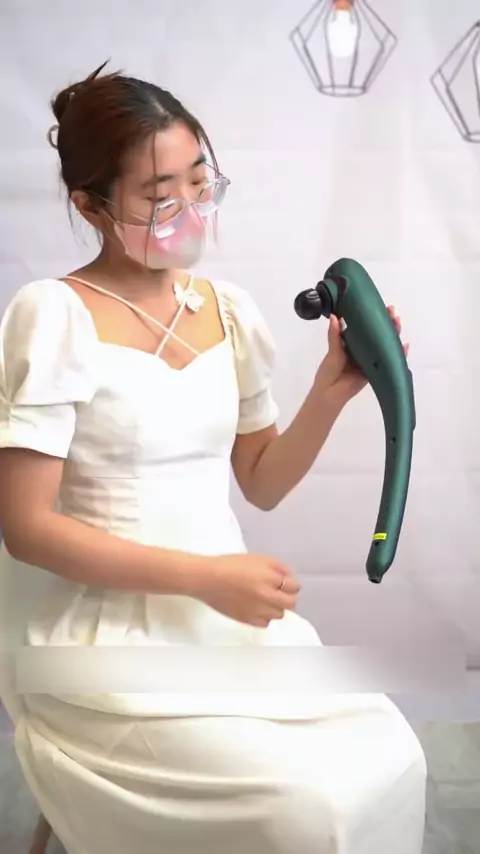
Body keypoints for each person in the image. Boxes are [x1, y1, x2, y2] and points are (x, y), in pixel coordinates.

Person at [0, 63, 426, 854]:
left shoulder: (227, 312)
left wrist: (330, 392)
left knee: (391, 754)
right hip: (107, 642)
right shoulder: (53, 315)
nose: (192, 212)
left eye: (202, 183)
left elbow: (260, 482)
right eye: (162, 197)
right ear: (91, 205)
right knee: (302, 808)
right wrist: (204, 577)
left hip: (229, 628)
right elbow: (25, 529)